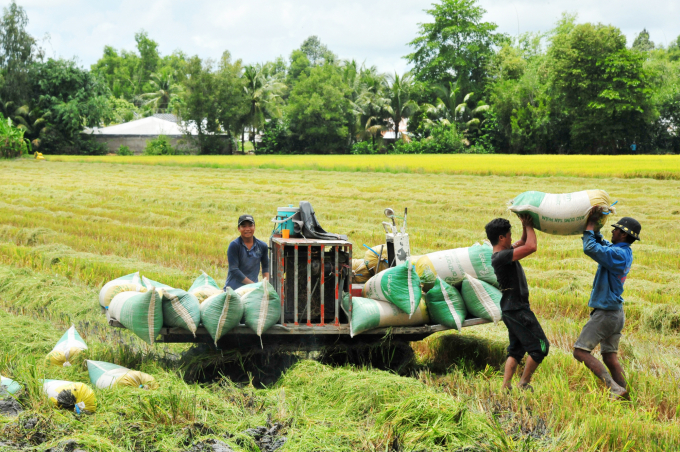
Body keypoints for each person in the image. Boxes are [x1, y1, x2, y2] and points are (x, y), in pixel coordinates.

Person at [573, 215, 641, 399]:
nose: (613, 231)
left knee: (580, 351)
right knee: (610, 357)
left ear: (624, 235)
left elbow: (590, 248)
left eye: (616, 229)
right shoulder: (622, 251)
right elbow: (603, 245)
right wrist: (596, 233)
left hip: (607, 314)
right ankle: (627, 398)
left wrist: (588, 229)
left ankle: (613, 388)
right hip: (615, 313)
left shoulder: (618, 255)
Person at [486, 216, 549, 392]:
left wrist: (524, 225)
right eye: (509, 235)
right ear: (501, 238)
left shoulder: (502, 254)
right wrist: (530, 226)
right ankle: (523, 384)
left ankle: (505, 387)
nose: (512, 238)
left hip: (510, 309)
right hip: (517, 310)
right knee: (540, 347)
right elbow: (531, 247)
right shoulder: (501, 257)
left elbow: (522, 241)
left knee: (516, 350)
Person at [224, 214, 269, 291]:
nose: (247, 229)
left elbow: (265, 268)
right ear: (239, 228)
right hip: (234, 289)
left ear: (254, 227)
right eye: (244, 226)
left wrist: (266, 285)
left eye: (250, 225)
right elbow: (234, 270)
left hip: (252, 290)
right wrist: (253, 285)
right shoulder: (234, 245)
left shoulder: (262, 246)